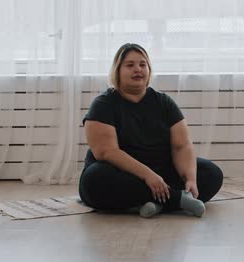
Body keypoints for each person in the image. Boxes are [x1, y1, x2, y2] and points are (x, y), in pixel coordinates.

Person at [79, 43, 223, 218]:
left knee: (211, 174)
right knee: (94, 180)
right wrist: (149, 176)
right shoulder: (103, 104)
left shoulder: (164, 102)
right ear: (117, 70)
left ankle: (150, 203)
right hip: (122, 172)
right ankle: (176, 199)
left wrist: (190, 179)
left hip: (160, 169)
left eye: (142, 64)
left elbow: (182, 146)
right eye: (130, 65)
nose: (137, 69)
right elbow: (106, 152)